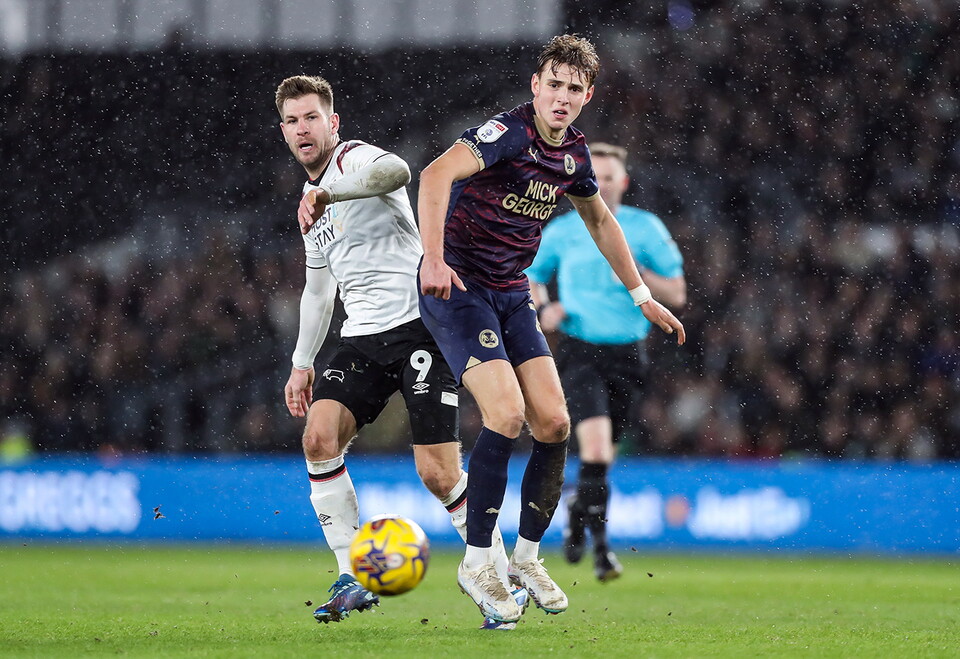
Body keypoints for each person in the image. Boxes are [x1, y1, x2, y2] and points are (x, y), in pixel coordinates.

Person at [416, 36, 686, 623]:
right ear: (535, 86)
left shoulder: (575, 155)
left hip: (511, 292)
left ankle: (526, 558)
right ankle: (478, 561)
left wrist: (641, 296)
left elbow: (601, 221)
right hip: (460, 287)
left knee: (555, 423)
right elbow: (435, 175)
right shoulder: (506, 133)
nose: (561, 97)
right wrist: (433, 258)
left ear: (588, 96)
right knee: (506, 415)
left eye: (573, 88)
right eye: (553, 84)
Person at [275, 75, 521, 629]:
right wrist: (301, 363)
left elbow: (400, 172)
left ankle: (498, 576)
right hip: (362, 338)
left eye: (311, 117)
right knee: (318, 439)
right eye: (292, 121)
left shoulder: (355, 161)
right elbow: (318, 290)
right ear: (284, 131)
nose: (302, 129)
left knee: (438, 472)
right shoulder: (308, 205)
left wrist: (329, 193)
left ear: (333, 123)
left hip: (420, 327)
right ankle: (350, 576)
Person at [526, 142, 686, 582]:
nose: (602, 183)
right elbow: (531, 275)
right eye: (595, 175)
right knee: (595, 450)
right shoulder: (562, 230)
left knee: (601, 460)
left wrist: (636, 273)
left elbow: (676, 293)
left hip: (629, 355)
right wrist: (546, 307)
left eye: (610, 176)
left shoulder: (645, 228)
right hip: (579, 349)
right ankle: (602, 552)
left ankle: (578, 512)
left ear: (623, 182)